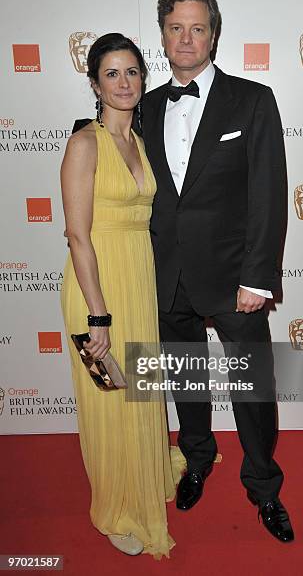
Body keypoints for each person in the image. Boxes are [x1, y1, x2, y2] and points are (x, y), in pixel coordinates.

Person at [142, 0, 294, 543]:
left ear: (213, 35)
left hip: (236, 279)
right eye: (175, 27)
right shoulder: (147, 105)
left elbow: (268, 195)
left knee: (254, 390)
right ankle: (198, 459)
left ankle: (264, 487)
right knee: (187, 382)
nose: (186, 38)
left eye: (197, 27)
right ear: (162, 35)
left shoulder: (253, 100)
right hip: (166, 277)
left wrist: (259, 277)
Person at [61, 33, 184, 559]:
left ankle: (147, 474)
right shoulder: (84, 143)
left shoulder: (141, 142)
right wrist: (99, 316)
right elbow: (78, 234)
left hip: (139, 277)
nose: (124, 82)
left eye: (132, 71)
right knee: (109, 402)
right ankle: (117, 506)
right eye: (111, 73)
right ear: (94, 83)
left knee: (143, 392)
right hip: (98, 287)